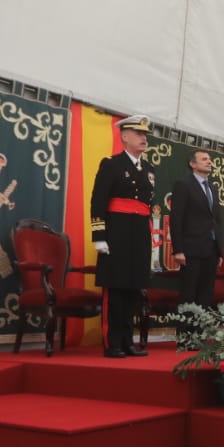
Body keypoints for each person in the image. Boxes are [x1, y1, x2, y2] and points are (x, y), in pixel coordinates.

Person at [89, 114, 154, 358]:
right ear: (124, 136)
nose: (143, 138)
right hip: (116, 234)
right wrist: (99, 235)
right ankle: (112, 342)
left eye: (145, 135)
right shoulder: (111, 164)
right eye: (139, 134)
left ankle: (128, 341)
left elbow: (146, 207)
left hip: (139, 237)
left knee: (133, 290)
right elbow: (98, 201)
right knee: (115, 291)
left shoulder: (149, 170)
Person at [168, 149, 223, 319]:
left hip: (210, 249)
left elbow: (216, 221)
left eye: (210, 159)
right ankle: (186, 337)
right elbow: (176, 217)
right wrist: (178, 249)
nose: (209, 162)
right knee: (189, 293)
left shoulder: (213, 188)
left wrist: (219, 250)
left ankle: (200, 336)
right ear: (192, 164)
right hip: (191, 249)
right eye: (204, 159)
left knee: (205, 294)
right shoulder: (184, 184)